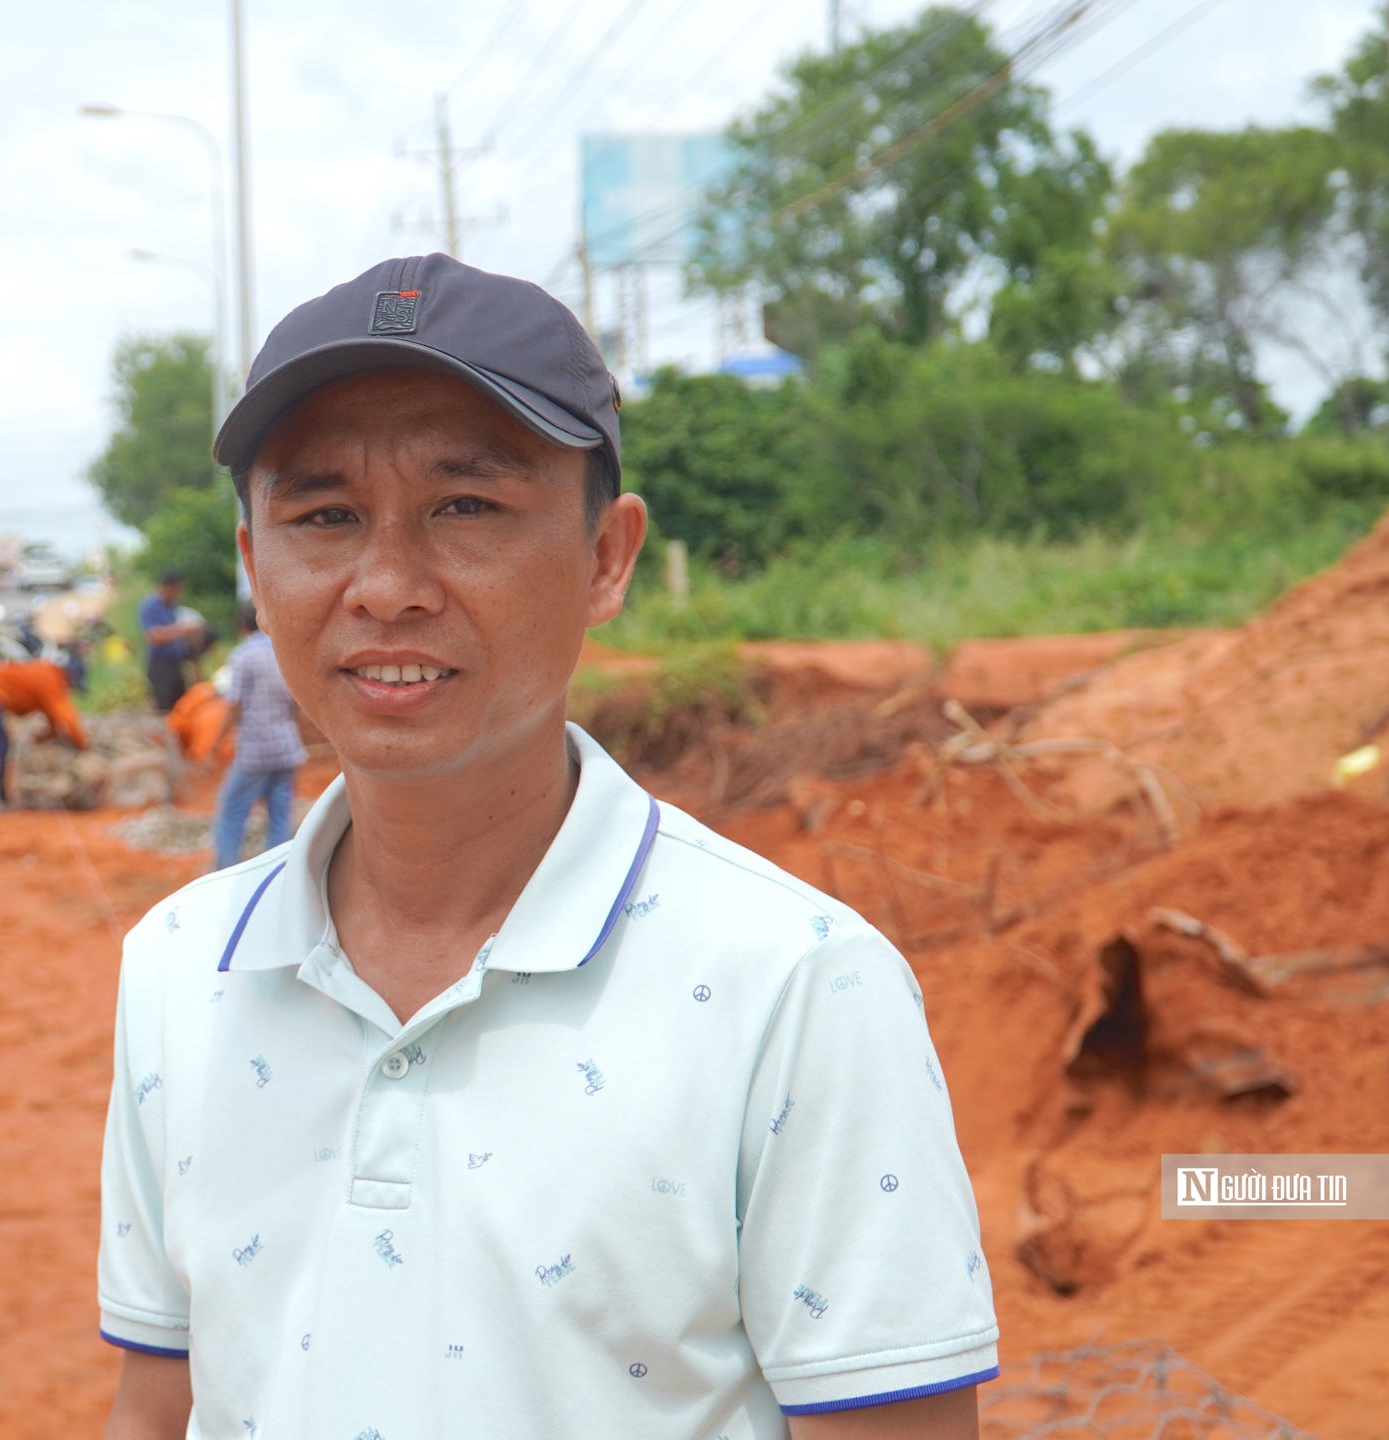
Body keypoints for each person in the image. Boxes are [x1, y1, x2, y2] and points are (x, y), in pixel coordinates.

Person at [97, 255, 996, 1440]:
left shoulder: (796, 985)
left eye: (466, 506)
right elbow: (161, 1405)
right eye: (323, 516)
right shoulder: (180, 967)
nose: (386, 585)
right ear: (255, 569)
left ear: (607, 557)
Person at [208, 601, 304, 870]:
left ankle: (222, 873)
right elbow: (296, 702)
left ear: (240, 625)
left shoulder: (243, 656)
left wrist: (216, 742)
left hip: (255, 752)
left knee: (232, 812)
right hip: (287, 747)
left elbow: (234, 705)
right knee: (280, 816)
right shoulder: (281, 652)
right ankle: (276, 876)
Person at [0, 657, 89, 810]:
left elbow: (53, 717)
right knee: (0, 743)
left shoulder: (47, 674)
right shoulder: (52, 678)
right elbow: (67, 717)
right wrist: (83, 747)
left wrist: (50, 734)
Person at [136, 571, 205, 712]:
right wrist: (182, 630)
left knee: (179, 705)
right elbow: (153, 637)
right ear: (166, 587)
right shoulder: (150, 607)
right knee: (165, 707)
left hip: (176, 661)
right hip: (160, 663)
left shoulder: (172, 607)